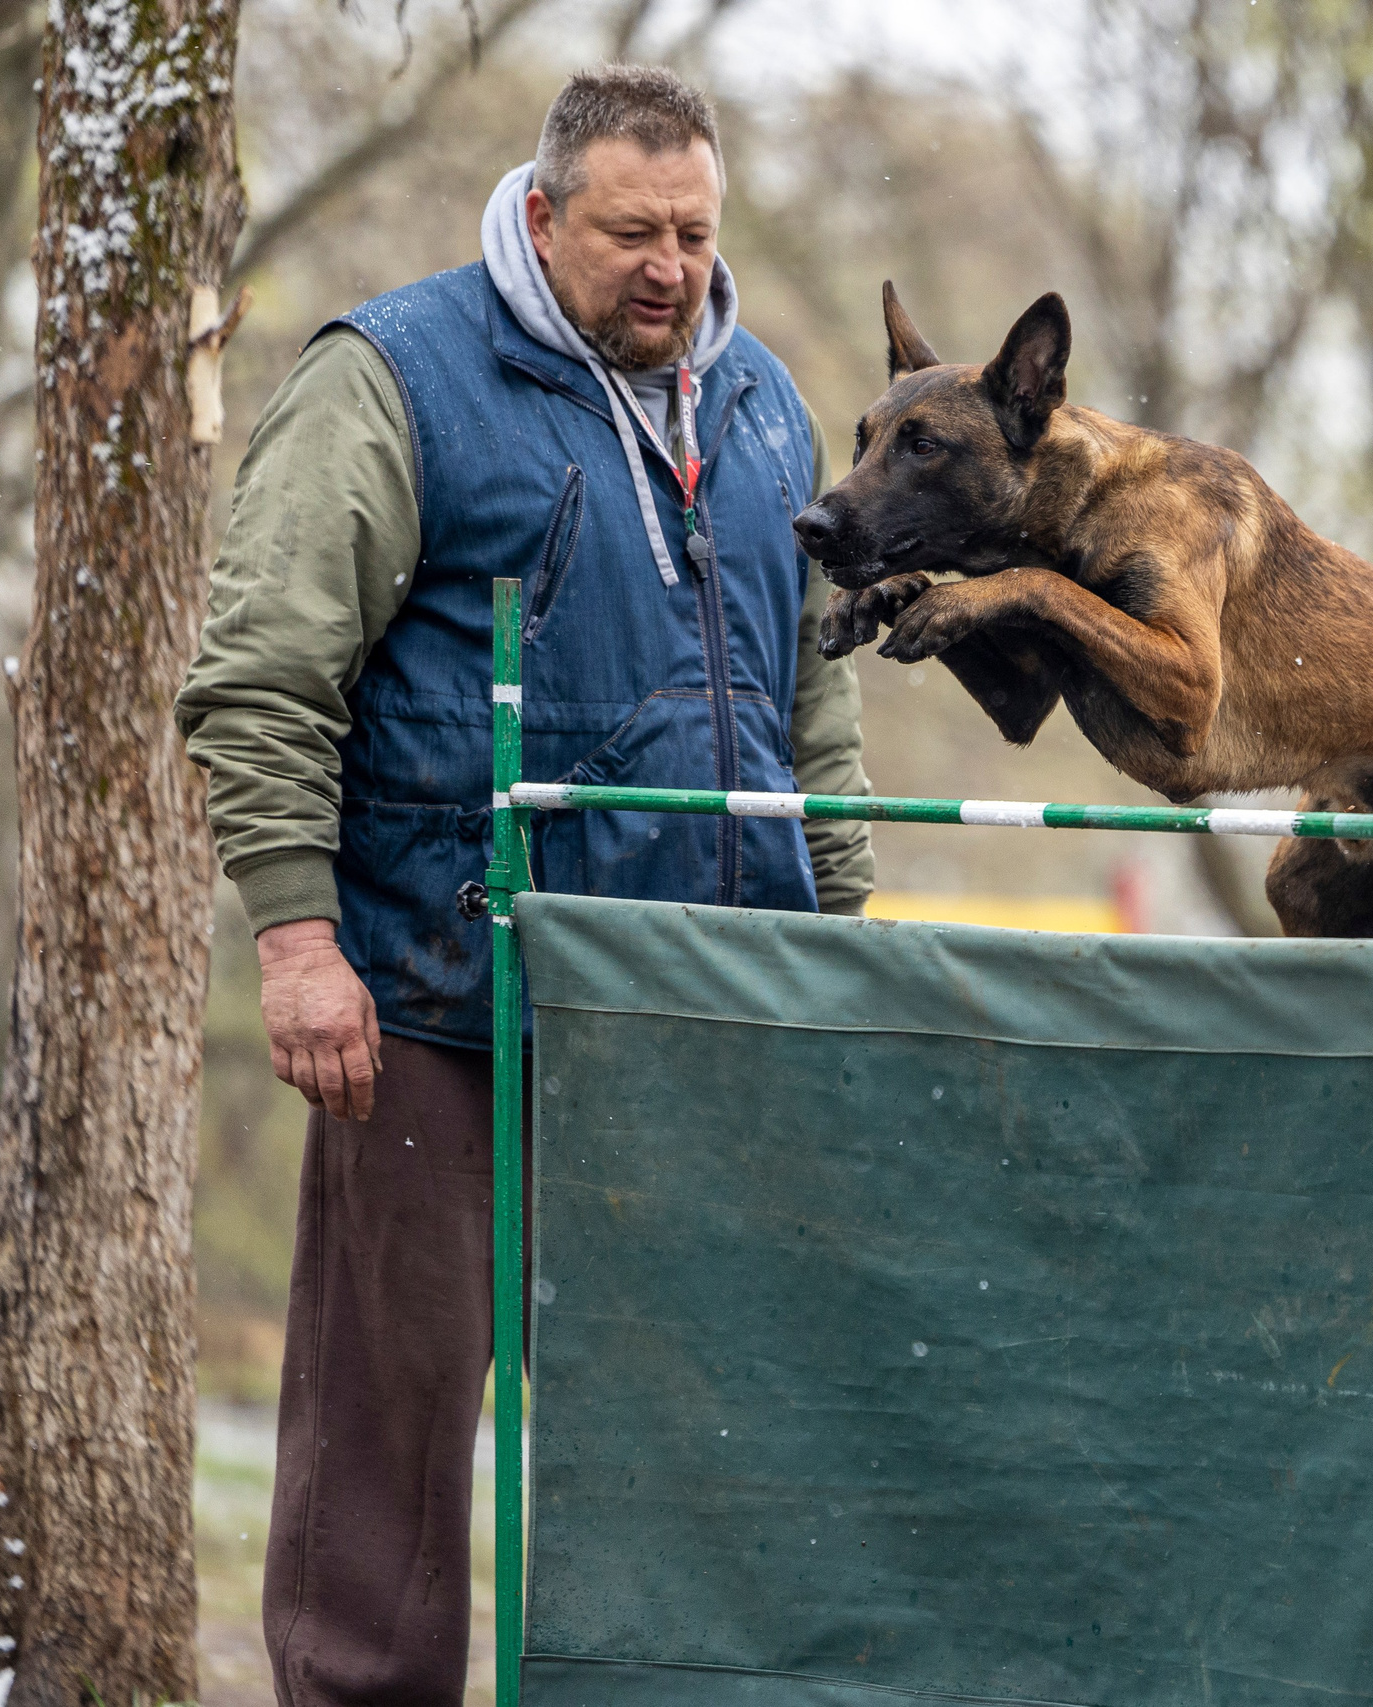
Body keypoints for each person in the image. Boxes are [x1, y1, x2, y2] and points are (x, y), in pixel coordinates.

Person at [175, 65, 872, 1704]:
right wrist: (295, 942)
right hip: (436, 1002)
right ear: (543, 214)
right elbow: (260, 680)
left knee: (687, 1444)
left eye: (696, 232)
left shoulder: (767, 403)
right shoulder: (395, 377)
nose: (672, 266)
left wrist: (846, 949)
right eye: (633, 230)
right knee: (393, 1454)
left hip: (710, 1018)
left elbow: (814, 714)